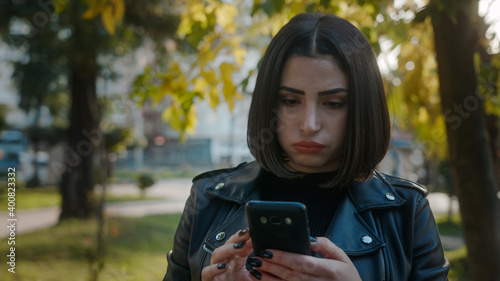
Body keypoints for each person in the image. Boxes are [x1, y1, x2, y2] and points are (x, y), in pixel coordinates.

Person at [163, 13, 450, 281]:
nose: (309, 124)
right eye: (290, 101)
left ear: (364, 109)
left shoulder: (407, 212)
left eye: (333, 103)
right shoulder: (208, 200)